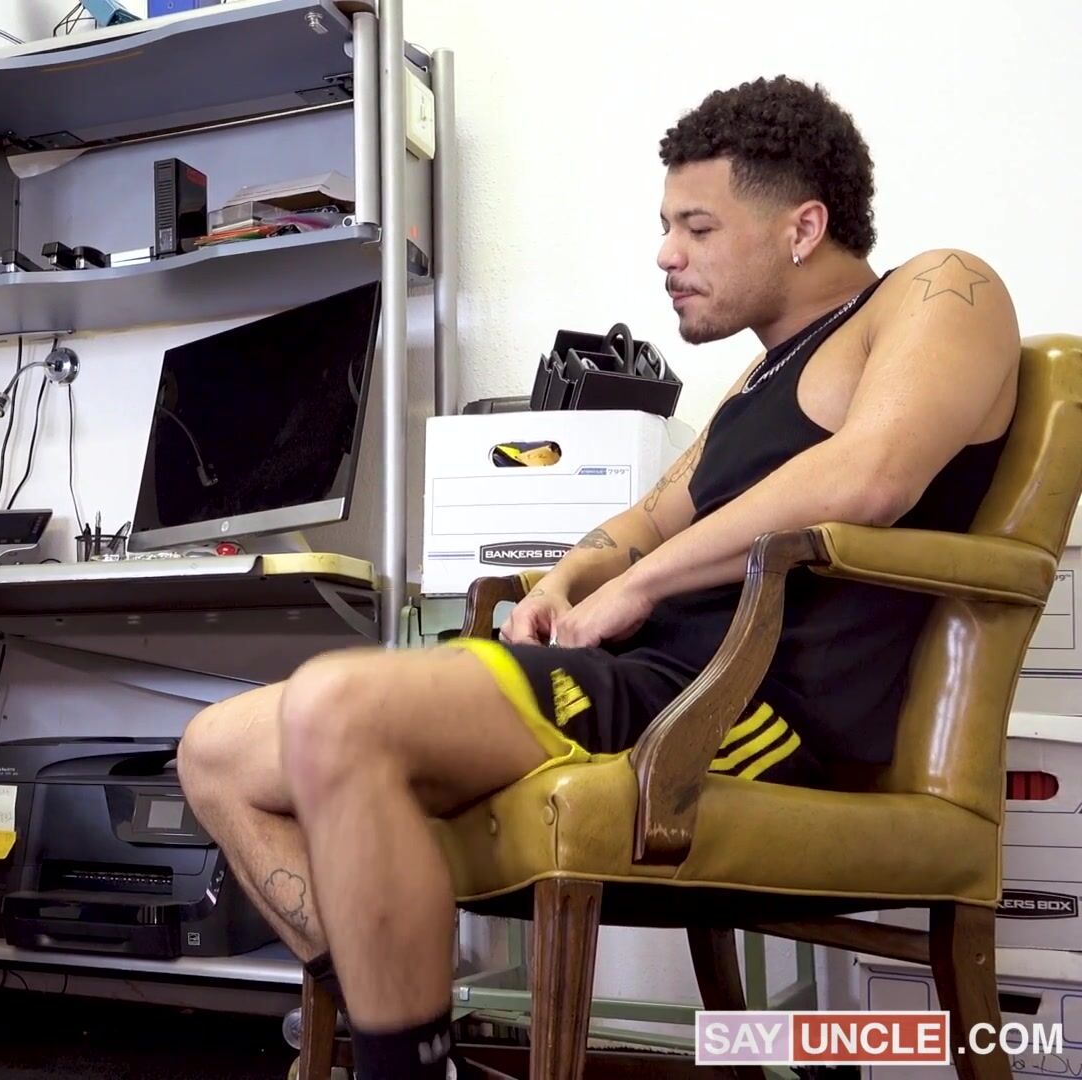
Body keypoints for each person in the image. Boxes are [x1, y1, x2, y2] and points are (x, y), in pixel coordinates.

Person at [176, 75, 1021, 1079]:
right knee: (215, 751)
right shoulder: (760, 381)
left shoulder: (940, 290)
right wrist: (568, 581)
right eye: (667, 227)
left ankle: (402, 1064)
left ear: (802, 228)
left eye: (696, 227)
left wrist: (640, 587)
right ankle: (406, 1039)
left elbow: (872, 474)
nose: (666, 254)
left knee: (335, 703)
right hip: (643, 681)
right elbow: (648, 516)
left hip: (739, 711)